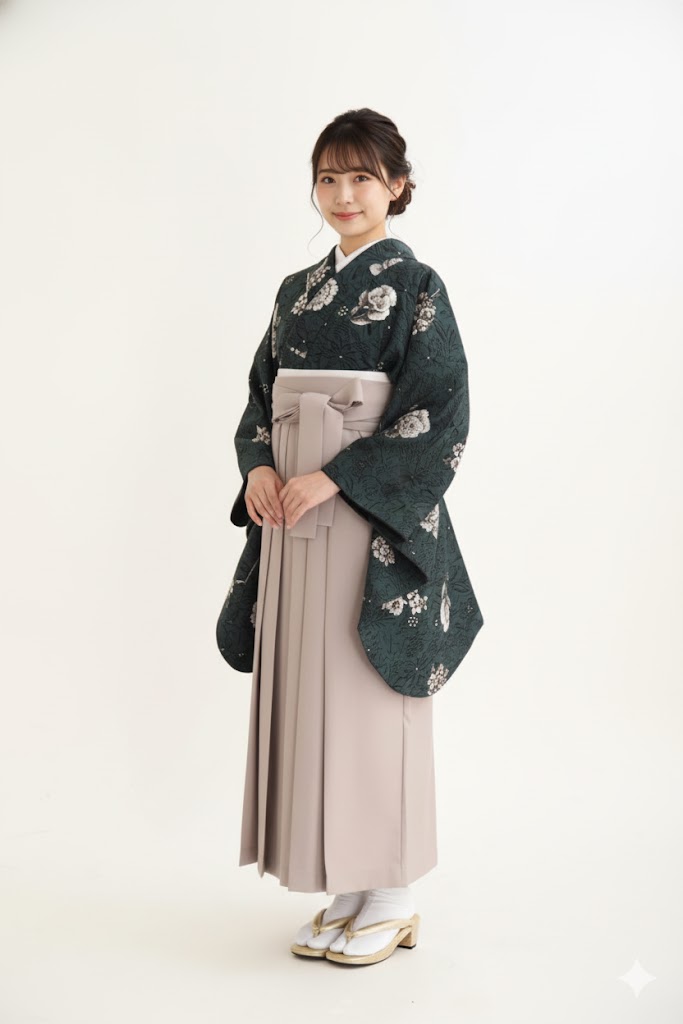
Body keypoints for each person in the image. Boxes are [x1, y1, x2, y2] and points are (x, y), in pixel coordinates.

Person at [216, 107, 484, 966]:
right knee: (314, 691)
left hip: (368, 519)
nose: (342, 194)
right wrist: (259, 467)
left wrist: (332, 476)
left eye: (362, 177)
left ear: (396, 186)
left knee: (371, 690)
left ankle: (394, 890)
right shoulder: (294, 290)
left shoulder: (417, 284)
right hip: (292, 514)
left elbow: (438, 411)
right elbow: (260, 397)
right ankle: (348, 884)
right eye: (327, 177)